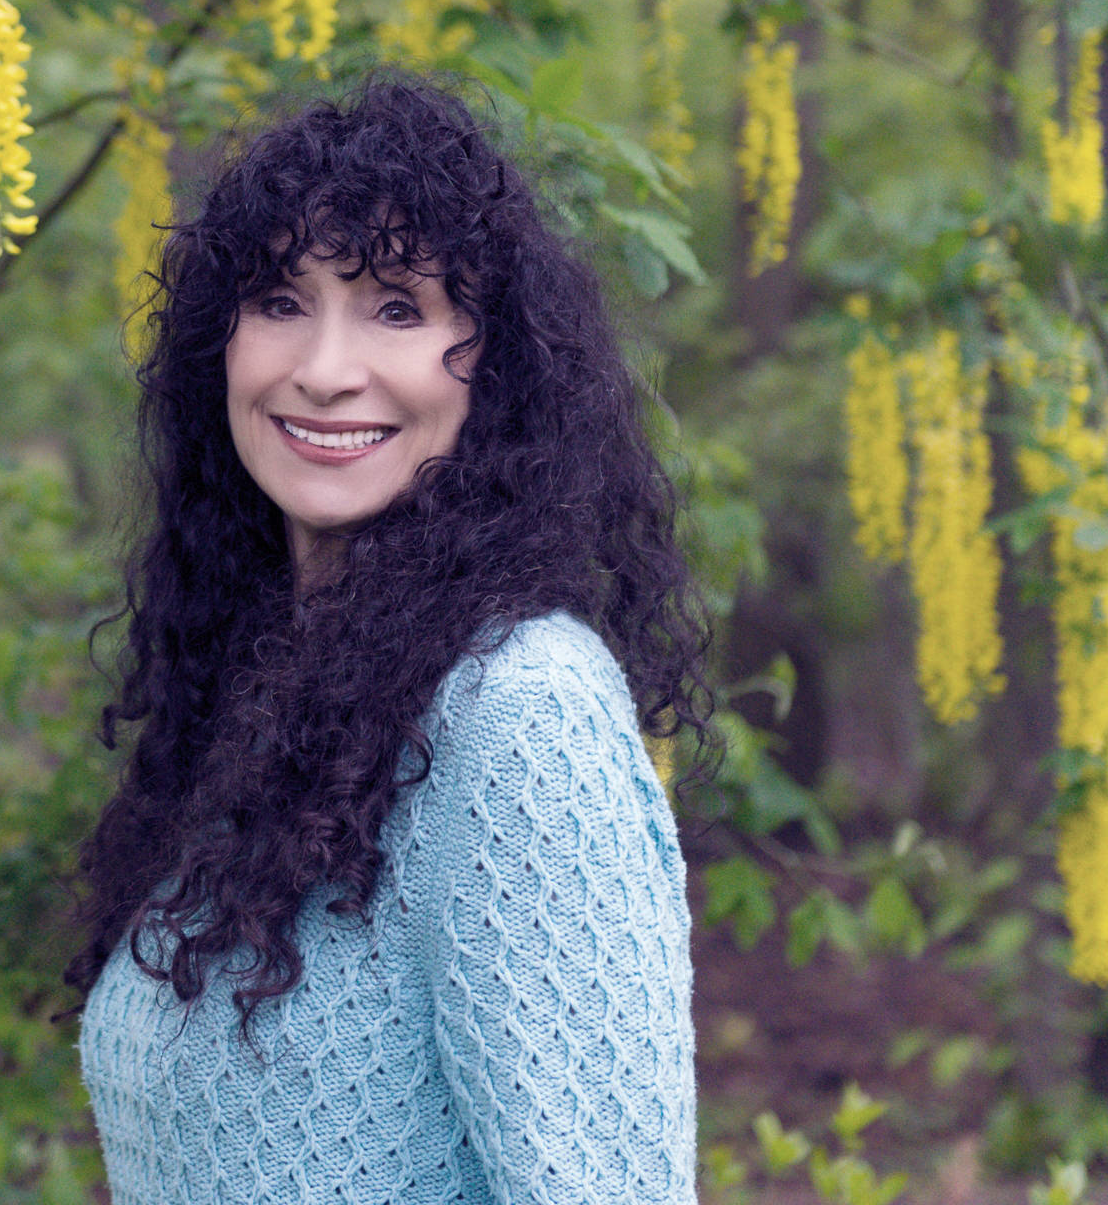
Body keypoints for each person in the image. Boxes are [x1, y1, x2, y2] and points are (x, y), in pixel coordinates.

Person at [70, 74, 707, 1203]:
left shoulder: (520, 707)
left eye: (397, 307)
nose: (321, 366)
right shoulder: (263, 687)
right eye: (277, 298)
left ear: (494, 367)